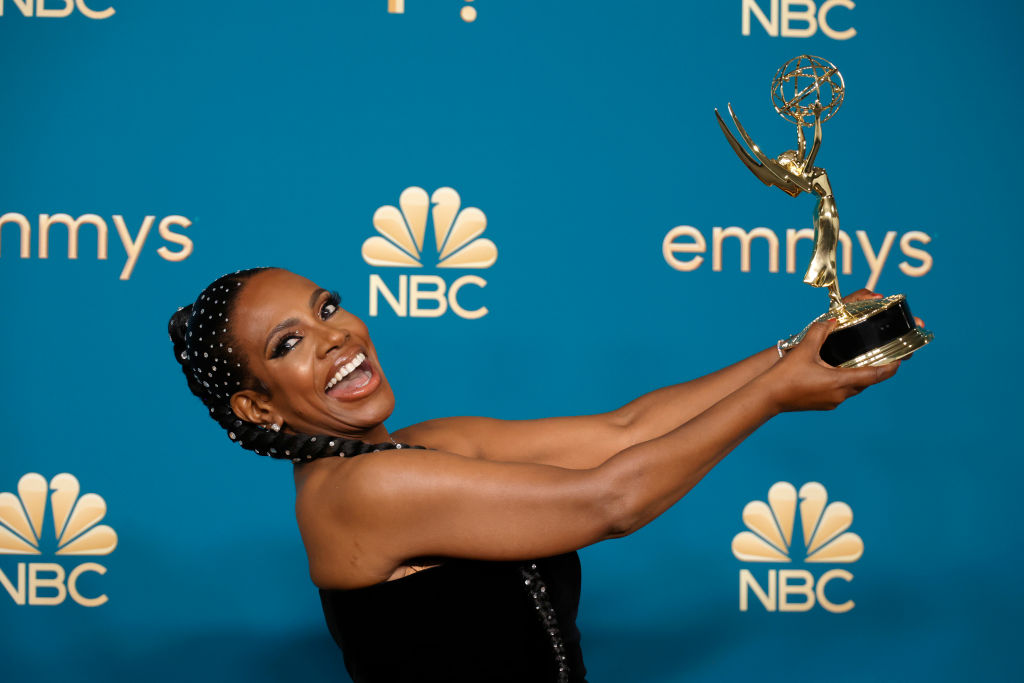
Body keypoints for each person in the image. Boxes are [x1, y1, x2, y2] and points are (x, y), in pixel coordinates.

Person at [168, 266, 904, 683]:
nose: (337, 336)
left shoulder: (423, 446)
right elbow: (609, 497)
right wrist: (776, 396)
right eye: (291, 341)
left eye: (327, 305)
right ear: (257, 405)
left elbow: (624, 430)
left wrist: (795, 351)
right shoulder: (362, 492)